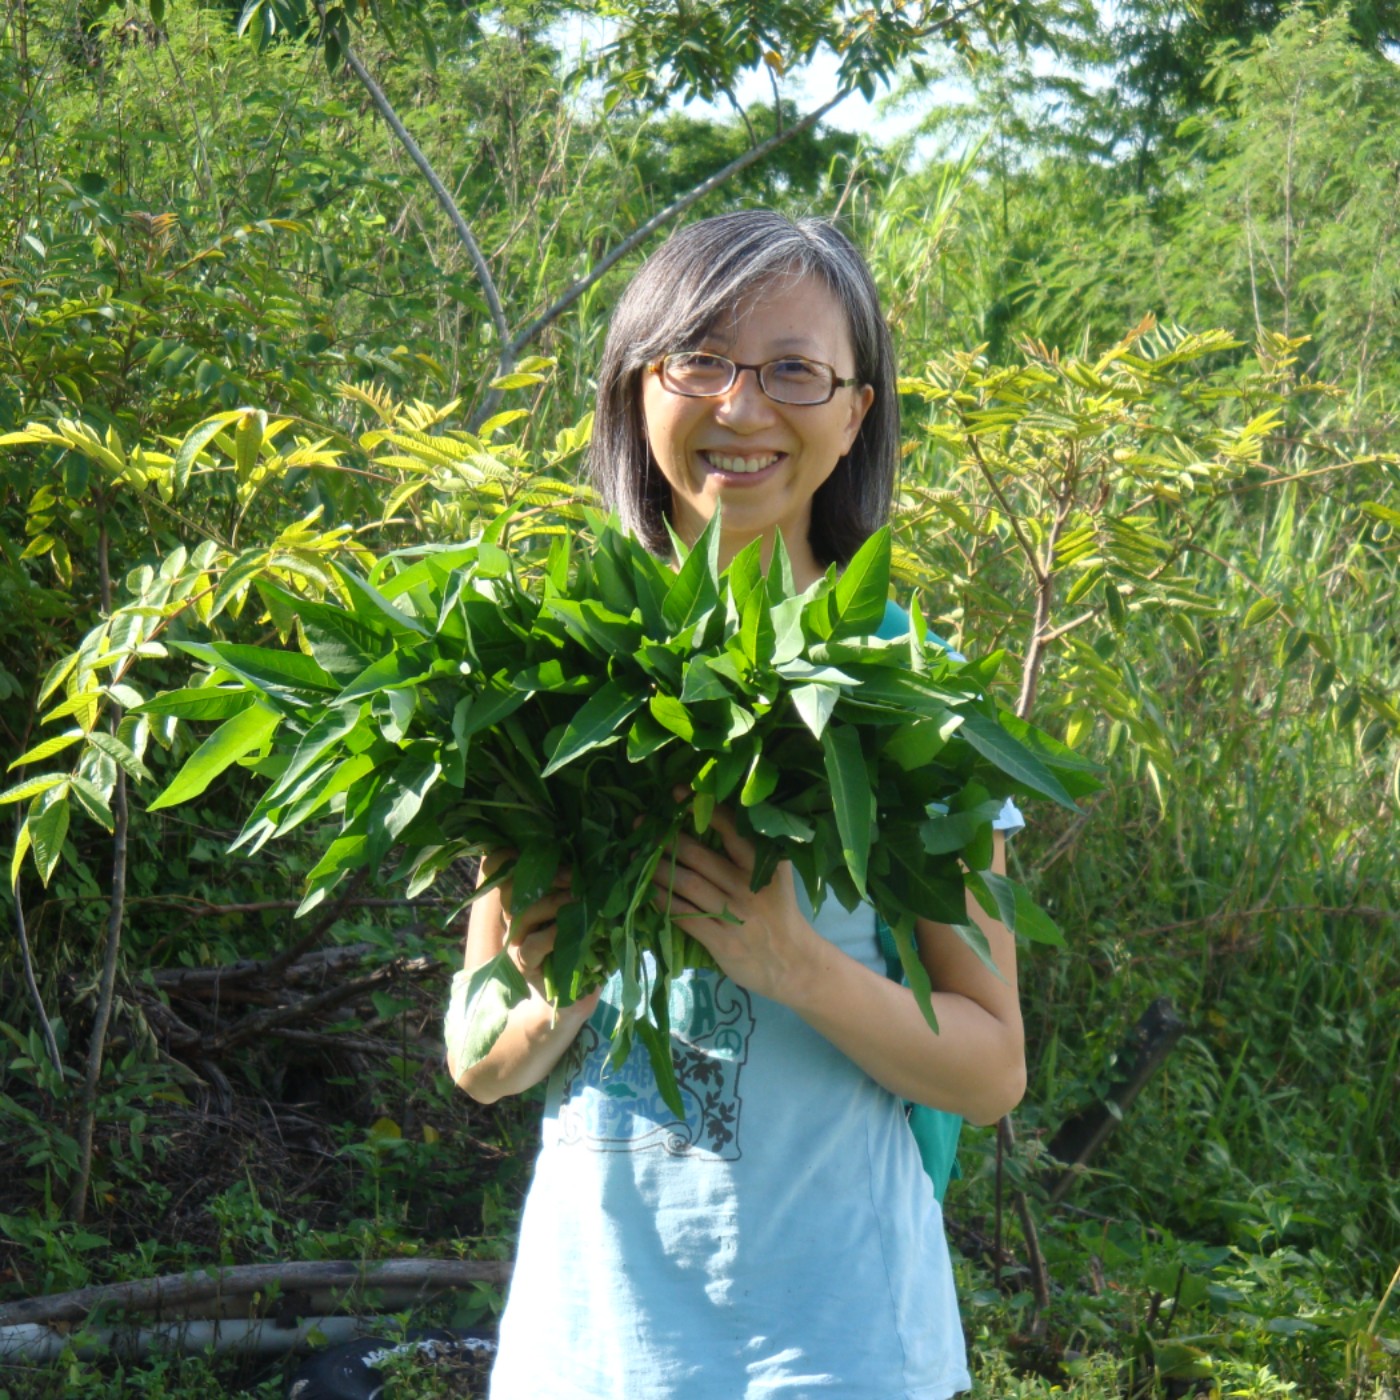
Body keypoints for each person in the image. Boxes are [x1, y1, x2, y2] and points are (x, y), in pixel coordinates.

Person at [445, 209, 1026, 1399]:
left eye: (793, 370)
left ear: (857, 408)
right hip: (591, 1347)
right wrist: (558, 981)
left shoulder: (907, 697)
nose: (741, 407)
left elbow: (989, 1063)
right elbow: (478, 1056)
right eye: (698, 360)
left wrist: (792, 962)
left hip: (839, 1349)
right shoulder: (554, 683)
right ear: (633, 386)